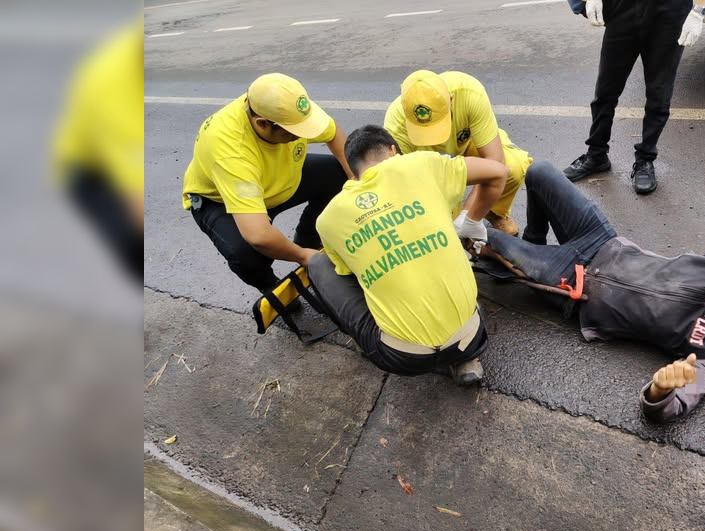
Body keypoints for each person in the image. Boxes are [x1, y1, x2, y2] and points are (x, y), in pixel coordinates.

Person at [473, 161, 705, 420]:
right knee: (538, 172)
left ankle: (517, 253)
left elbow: (675, 403)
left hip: (572, 283)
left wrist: (658, 391)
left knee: (481, 235)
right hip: (601, 241)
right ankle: (533, 240)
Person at [308, 125, 509, 385]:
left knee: (317, 263)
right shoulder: (419, 164)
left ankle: (379, 339)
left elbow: (351, 274)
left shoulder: (329, 218)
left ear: (353, 172)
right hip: (472, 334)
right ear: (393, 151)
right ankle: (464, 359)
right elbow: (498, 171)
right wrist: (468, 222)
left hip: (400, 356)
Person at [181, 73, 353, 293]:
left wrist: (357, 181)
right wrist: (301, 257)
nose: (303, 135)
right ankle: (272, 288)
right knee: (247, 255)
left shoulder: (285, 106)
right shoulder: (230, 150)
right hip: (223, 199)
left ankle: (308, 240)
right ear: (262, 124)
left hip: (278, 177)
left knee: (340, 174)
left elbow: (334, 133)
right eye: (296, 133)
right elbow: (258, 235)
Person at [563, 0, 705, 194]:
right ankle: (596, 154)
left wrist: (698, 11)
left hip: (670, 13)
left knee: (659, 95)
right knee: (605, 91)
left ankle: (645, 160)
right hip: (623, 8)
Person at [384, 70, 532, 236]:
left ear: (451, 100)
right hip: (428, 162)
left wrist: (467, 216)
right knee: (444, 228)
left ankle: (492, 211)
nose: (434, 139)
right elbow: (406, 186)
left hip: (468, 145)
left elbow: (495, 161)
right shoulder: (395, 126)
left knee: (514, 167)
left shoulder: (469, 93)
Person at [53, 22, 143, 280]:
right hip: (85, 167)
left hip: (103, 152)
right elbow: (132, 187)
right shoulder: (112, 86)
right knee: (130, 244)